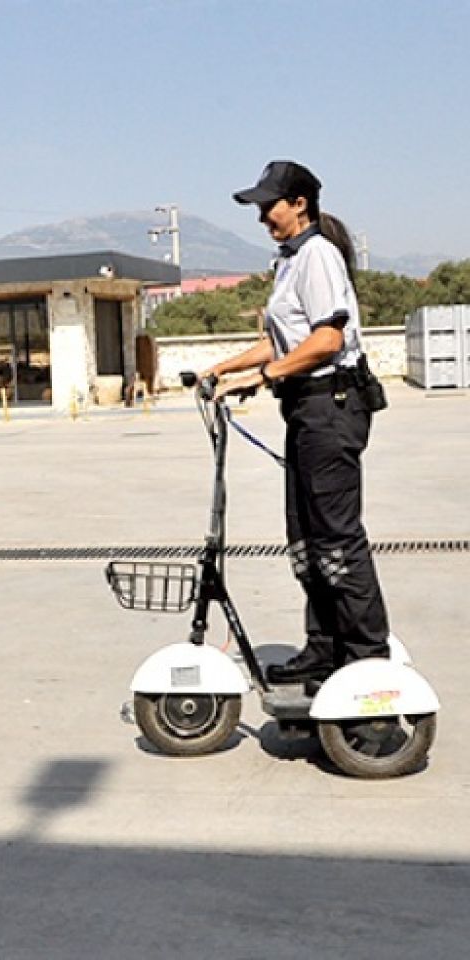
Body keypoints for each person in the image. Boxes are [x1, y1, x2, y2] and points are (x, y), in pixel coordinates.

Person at [202, 160, 390, 684]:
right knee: (306, 541)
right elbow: (284, 340)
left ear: (300, 203)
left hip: (332, 404)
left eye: (269, 205)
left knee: (336, 538)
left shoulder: (318, 256)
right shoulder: (289, 261)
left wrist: (262, 377)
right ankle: (325, 647)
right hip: (306, 409)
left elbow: (328, 339)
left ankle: (368, 659)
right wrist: (224, 368)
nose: (263, 216)